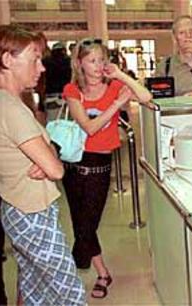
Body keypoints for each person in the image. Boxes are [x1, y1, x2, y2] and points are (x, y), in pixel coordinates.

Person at [0, 24, 85, 305]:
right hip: (32, 213)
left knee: (33, 287)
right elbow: (56, 169)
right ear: (8, 60)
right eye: (34, 58)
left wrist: (45, 153)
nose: (42, 67)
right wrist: (47, 154)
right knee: (70, 292)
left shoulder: (10, 102)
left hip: (18, 207)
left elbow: (47, 157)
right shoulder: (11, 108)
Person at [62, 37, 152, 299]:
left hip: (100, 165)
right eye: (92, 60)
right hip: (75, 165)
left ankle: (72, 269)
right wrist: (115, 106)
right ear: (80, 63)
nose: (99, 65)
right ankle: (102, 273)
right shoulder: (72, 90)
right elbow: (88, 128)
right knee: (81, 225)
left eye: (102, 59)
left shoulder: (114, 86)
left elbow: (146, 97)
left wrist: (122, 75)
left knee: (88, 226)